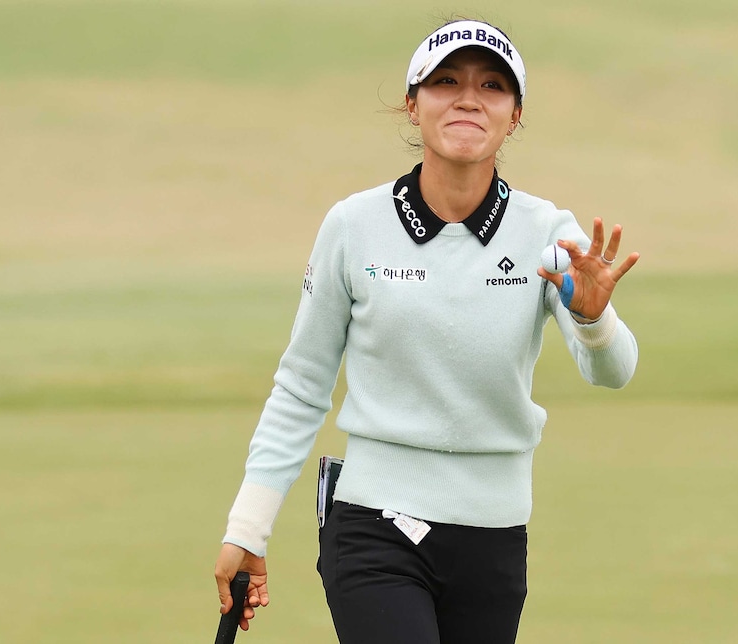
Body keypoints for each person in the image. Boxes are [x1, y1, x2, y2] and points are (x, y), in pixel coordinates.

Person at [214, 18, 640, 644]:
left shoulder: (548, 233)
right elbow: (303, 385)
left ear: (514, 114)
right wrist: (247, 528)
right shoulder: (354, 225)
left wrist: (593, 317)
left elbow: (614, 371)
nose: (469, 97)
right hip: (372, 528)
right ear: (413, 104)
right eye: (446, 81)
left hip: (495, 538)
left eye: (492, 85)